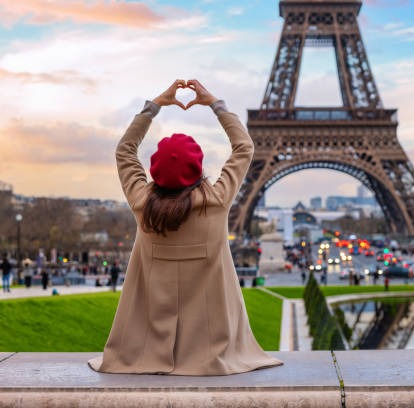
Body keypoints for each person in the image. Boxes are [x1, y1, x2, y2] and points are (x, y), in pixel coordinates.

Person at [88, 79, 282, 375]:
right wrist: (217, 105)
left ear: (155, 169)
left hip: (147, 342)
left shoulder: (142, 203)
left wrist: (153, 107)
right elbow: (244, 147)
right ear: (198, 167)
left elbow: (125, 151)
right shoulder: (216, 201)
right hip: (209, 346)